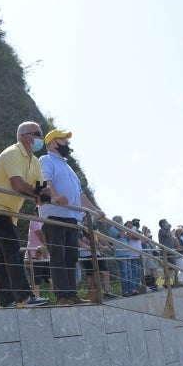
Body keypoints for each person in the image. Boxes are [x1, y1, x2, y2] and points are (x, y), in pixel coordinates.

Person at [0, 121, 49, 307]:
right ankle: (24, 296)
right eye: (38, 133)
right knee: (12, 248)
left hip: (10, 211)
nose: (41, 138)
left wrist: (42, 194)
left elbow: (41, 188)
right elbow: (18, 184)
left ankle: (5, 300)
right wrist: (37, 194)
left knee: (3, 254)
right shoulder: (12, 153)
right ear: (24, 136)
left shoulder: (34, 161)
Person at [38, 129, 103, 305]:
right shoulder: (46, 160)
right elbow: (46, 181)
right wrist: (56, 196)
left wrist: (95, 211)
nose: (67, 143)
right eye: (63, 140)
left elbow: (80, 195)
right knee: (58, 255)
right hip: (54, 215)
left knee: (71, 257)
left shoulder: (68, 167)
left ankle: (71, 294)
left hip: (72, 218)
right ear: (53, 143)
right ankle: (61, 296)